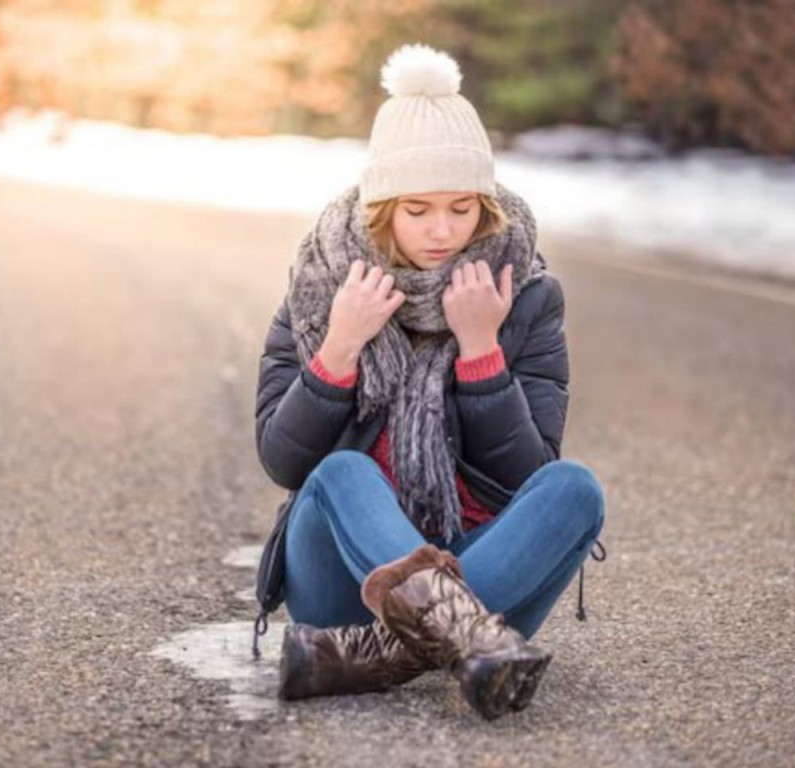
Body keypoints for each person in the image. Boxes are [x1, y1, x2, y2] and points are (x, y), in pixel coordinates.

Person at [253, 43, 605, 721]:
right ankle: (470, 639)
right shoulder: (322, 289)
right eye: (417, 211)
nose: (442, 231)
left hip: (483, 562)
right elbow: (284, 460)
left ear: (488, 206)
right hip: (338, 585)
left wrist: (481, 351)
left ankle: (375, 652)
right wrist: (339, 349)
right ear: (379, 209)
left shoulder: (526, 296)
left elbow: (525, 475)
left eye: (462, 208)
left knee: (574, 489)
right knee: (340, 474)